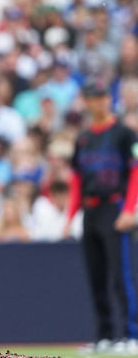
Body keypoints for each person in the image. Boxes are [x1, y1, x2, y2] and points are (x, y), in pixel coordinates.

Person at [65, 84, 138, 353]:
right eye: (94, 98)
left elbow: (135, 171)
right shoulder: (83, 137)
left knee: (121, 277)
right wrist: (70, 216)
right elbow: (76, 179)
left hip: (115, 208)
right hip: (90, 210)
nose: (100, 103)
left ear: (109, 99)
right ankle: (104, 335)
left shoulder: (125, 134)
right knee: (96, 276)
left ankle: (130, 335)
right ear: (86, 102)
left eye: (104, 97)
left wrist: (130, 209)